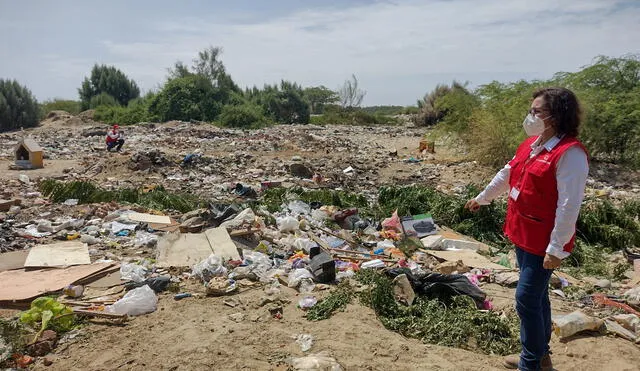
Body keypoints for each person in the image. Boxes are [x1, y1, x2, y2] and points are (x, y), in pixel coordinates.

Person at [464, 87, 589, 371]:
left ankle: (530, 363)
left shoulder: (569, 154)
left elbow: (569, 205)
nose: (530, 116)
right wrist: (482, 198)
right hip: (522, 231)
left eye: (537, 111)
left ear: (556, 116)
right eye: (531, 110)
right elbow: (507, 173)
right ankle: (540, 356)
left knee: (525, 298)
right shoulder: (532, 144)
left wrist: (556, 248)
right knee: (537, 295)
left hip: (544, 241)